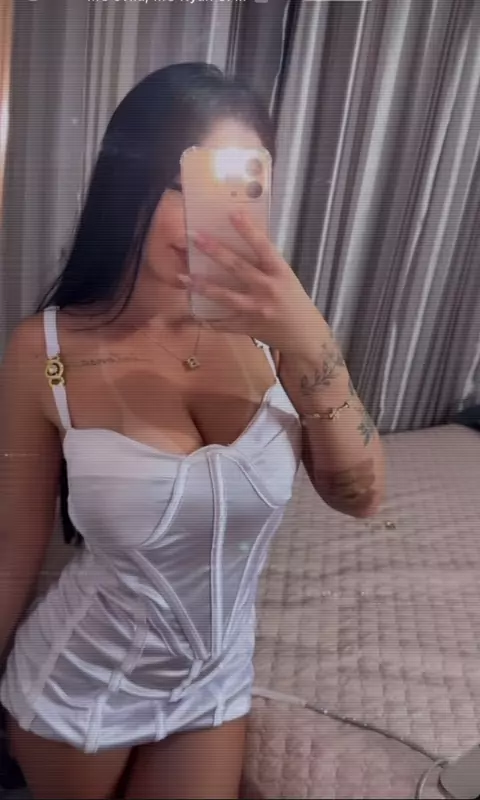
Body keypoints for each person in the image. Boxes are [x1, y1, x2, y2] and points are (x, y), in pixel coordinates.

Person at [0, 63, 385, 799]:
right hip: (77, 694)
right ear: (130, 186)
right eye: (184, 184)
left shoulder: (278, 335)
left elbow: (360, 496)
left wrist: (309, 339)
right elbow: (13, 543)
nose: (213, 213)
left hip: (214, 682)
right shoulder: (42, 353)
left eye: (241, 186)